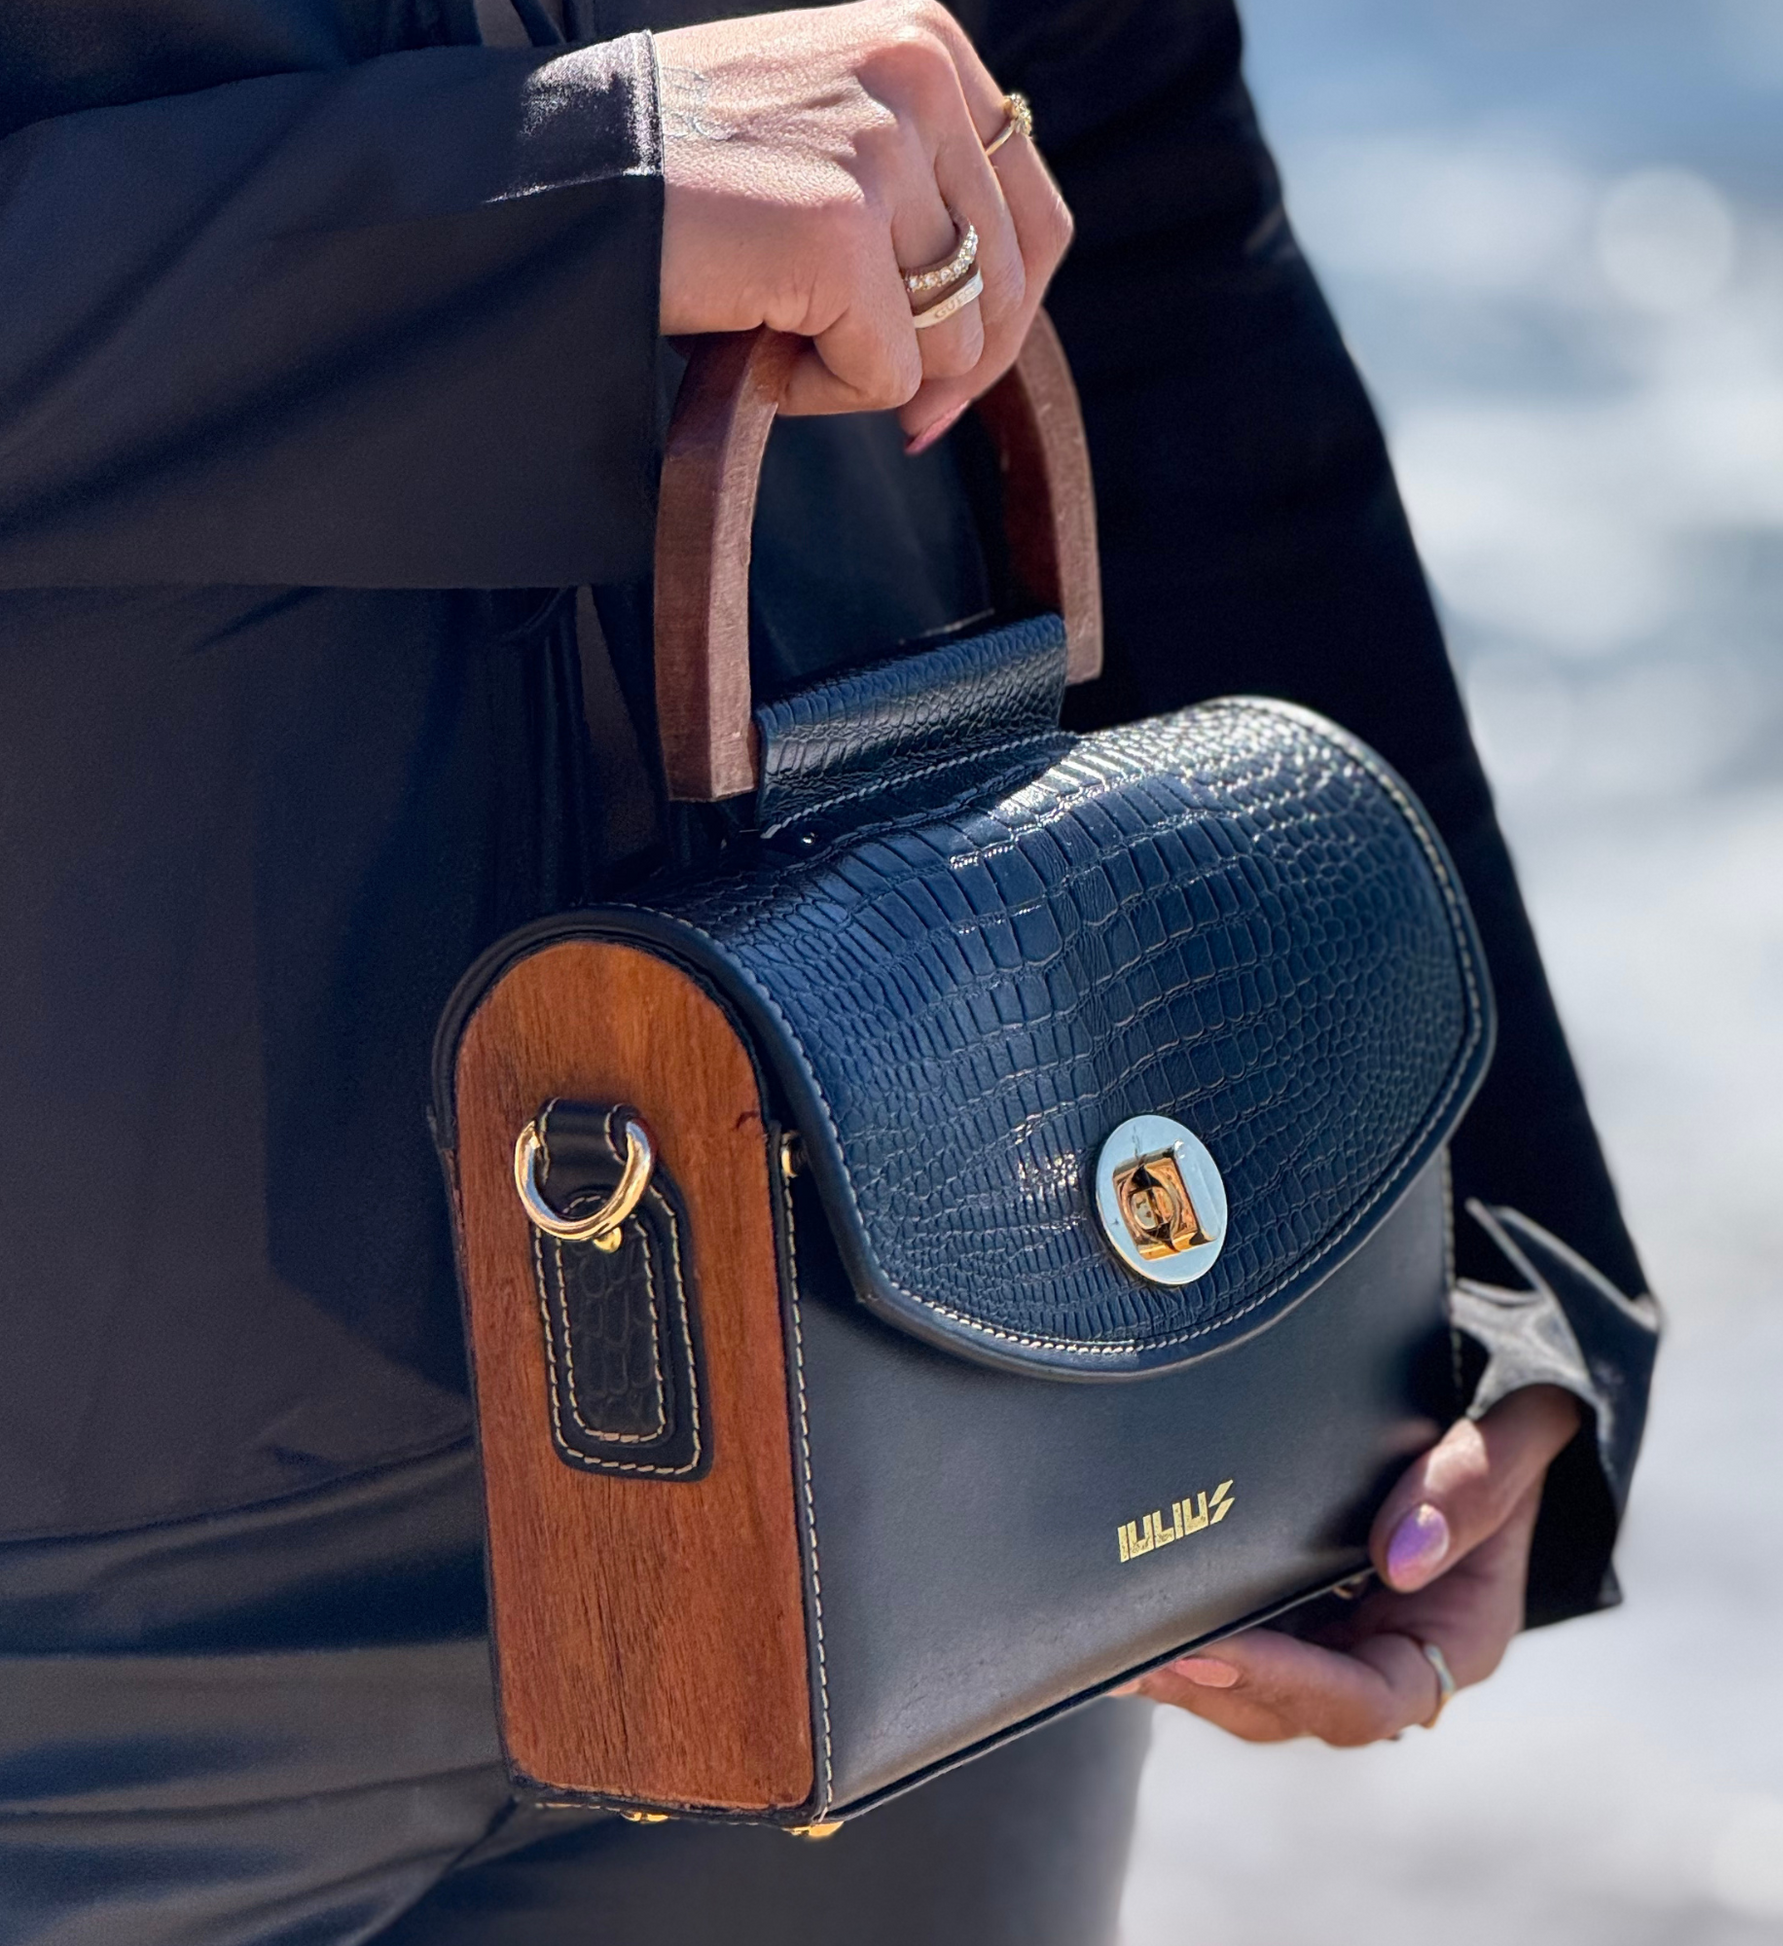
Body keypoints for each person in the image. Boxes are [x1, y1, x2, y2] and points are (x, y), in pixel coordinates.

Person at [0, 1, 1659, 1940]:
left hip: (916, 1434)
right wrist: (527, 217)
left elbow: (1136, 206)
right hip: (81, 1672)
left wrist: (1458, 1242)